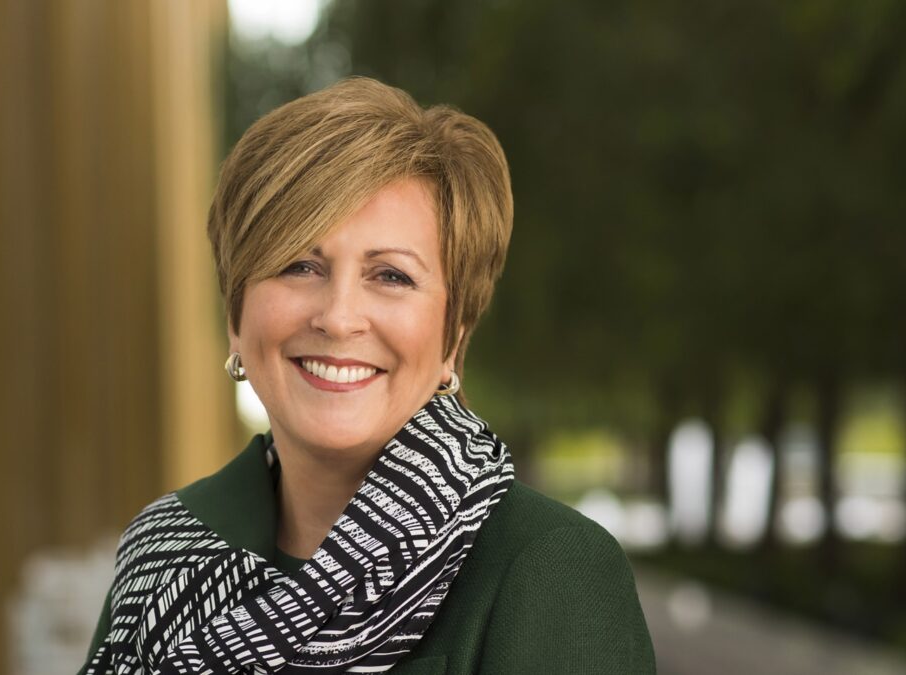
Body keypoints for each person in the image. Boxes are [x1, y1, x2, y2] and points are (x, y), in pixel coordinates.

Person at [79, 77, 655, 674]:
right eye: (298, 265)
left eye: (391, 276)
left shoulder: (552, 570)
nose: (338, 317)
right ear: (235, 317)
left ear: (453, 336)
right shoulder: (161, 554)